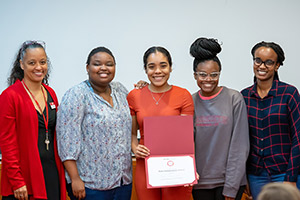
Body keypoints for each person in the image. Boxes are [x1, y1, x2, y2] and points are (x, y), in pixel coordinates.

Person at [56, 46, 132, 200]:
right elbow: (66, 142)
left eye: (109, 64)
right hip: (91, 185)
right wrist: (75, 179)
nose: (103, 68)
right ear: (87, 67)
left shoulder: (120, 90)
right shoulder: (76, 95)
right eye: (97, 64)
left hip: (123, 181)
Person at [0, 40, 66, 200]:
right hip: (25, 177)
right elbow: (7, 142)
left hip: (50, 172)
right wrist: (17, 181)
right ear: (21, 64)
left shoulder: (51, 93)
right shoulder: (10, 96)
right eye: (32, 63)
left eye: (42, 62)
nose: (38, 67)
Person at [127, 46, 194, 200]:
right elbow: (131, 133)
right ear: (145, 69)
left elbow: (186, 139)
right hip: (145, 163)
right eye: (152, 67)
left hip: (176, 164)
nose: (157, 71)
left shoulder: (183, 95)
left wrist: (189, 168)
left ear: (170, 67)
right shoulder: (134, 96)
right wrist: (134, 147)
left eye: (163, 65)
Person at [189, 37, 249, 200]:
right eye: (203, 75)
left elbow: (240, 145)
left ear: (219, 74)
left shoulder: (233, 98)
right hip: (199, 182)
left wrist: (231, 186)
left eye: (214, 75)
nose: (208, 79)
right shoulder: (190, 102)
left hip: (228, 182)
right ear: (195, 75)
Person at [241, 41, 300, 200]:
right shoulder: (244, 96)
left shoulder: (289, 94)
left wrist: (291, 177)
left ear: (277, 65)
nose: (262, 66)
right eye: (257, 60)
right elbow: (241, 141)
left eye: (269, 62)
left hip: (284, 172)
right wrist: (243, 177)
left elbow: (298, 138)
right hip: (255, 174)